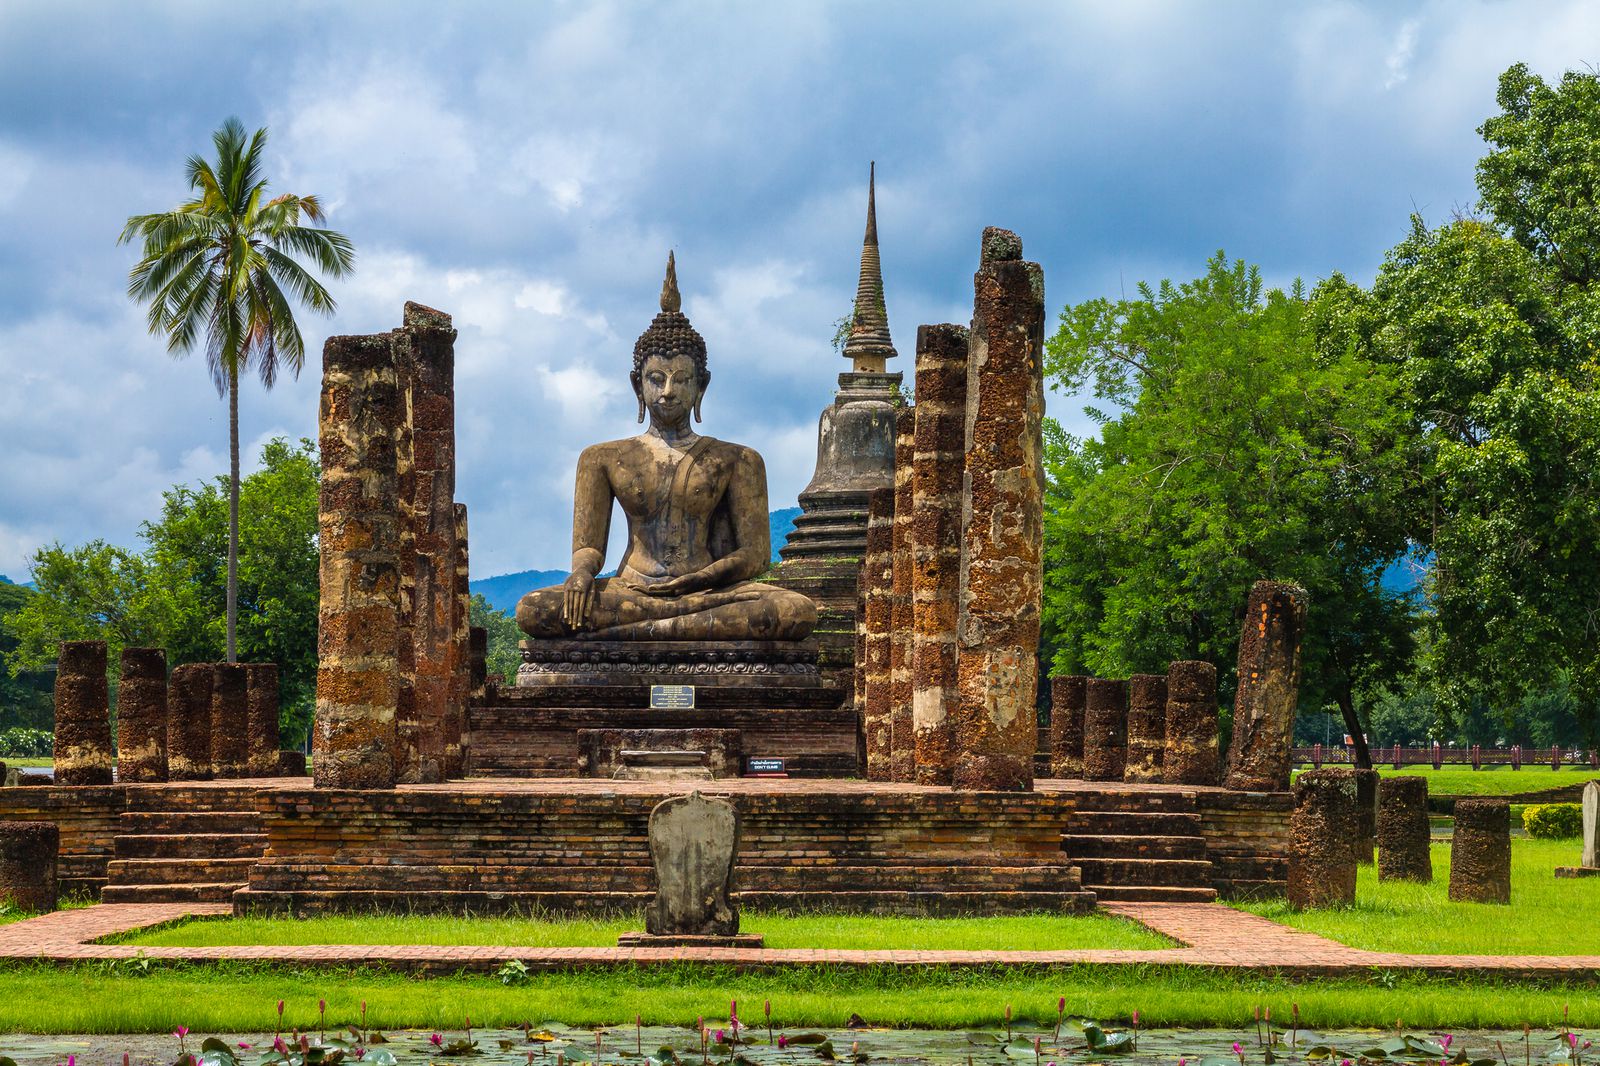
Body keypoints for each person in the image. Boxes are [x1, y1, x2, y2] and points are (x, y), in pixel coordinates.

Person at [516, 253, 817, 642]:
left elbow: (755, 556)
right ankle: (669, 628)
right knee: (535, 609)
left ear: (701, 385)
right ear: (636, 384)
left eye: (681, 380)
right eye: (656, 379)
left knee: (794, 611)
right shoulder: (602, 458)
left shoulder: (738, 459)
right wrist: (581, 575)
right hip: (631, 591)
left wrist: (700, 579)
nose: (668, 392)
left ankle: (645, 633)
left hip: (709, 593)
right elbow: (589, 546)